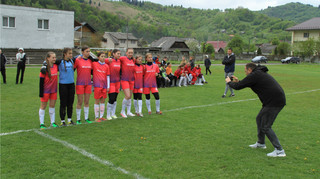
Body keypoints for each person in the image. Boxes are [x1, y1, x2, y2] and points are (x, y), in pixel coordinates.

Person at [226, 63, 286, 157]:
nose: (245, 71)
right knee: (259, 119)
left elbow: (238, 87)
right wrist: (238, 81)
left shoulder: (255, 75)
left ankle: (279, 150)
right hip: (271, 101)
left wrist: (229, 82)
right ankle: (261, 143)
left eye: (245, 70)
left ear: (250, 70)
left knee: (266, 126)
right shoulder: (257, 74)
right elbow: (245, 83)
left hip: (274, 102)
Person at [74, 46, 93, 124]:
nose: (88, 53)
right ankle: (78, 119)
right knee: (80, 101)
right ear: (82, 52)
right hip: (80, 84)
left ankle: (86, 118)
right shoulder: (78, 60)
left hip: (88, 84)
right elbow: (72, 69)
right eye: (86, 51)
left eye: (89, 51)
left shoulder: (90, 61)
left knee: (87, 101)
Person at [39, 52, 58, 129]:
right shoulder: (44, 68)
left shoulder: (56, 66)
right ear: (48, 58)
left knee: (52, 106)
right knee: (43, 106)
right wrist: (41, 92)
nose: (54, 59)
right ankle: (42, 124)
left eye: (55, 57)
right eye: (53, 57)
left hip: (53, 90)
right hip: (45, 90)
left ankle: (52, 122)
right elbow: (41, 81)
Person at [56, 48, 76, 126]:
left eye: (71, 53)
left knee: (70, 103)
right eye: (69, 53)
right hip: (63, 85)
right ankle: (62, 121)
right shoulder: (60, 62)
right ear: (65, 54)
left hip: (71, 85)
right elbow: (49, 62)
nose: (71, 55)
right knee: (63, 103)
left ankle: (70, 120)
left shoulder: (72, 61)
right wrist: (44, 67)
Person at [92, 52, 110, 122]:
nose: (103, 58)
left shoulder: (106, 66)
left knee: (103, 101)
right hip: (97, 86)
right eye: (101, 56)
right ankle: (96, 117)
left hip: (104, 86)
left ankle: (101, 116)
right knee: (97, 101)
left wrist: (108, 86)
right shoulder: (94, 64)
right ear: (98, 57)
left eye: (104, 56)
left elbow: (108, 76)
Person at [119, 48, 136, 118]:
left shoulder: (133, 60)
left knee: (130, 97)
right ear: (126, 53)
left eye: (132, 53)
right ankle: (122, 111)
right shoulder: (123, 58)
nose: (130, 54)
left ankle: (128, 111)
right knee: (127, 96)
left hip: (131, 80)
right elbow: (115, 59)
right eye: (129, 52)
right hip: (124, 80)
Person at [106, 49, 121, 120]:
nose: (119, 55)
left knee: (115, 99)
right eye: (118, 54)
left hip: (117, 82)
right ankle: (108, 114)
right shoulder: (110, 60)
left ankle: (113, 113)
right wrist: (108, 59)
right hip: (111, 82)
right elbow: (101, 60)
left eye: (120, 54)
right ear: (113, 54)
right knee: (111, 98)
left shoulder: (119, 61)